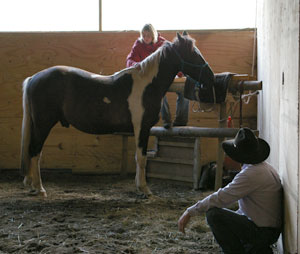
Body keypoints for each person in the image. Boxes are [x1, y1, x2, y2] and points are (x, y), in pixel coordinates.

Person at [178, 127, 283, 254]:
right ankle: (256, 249)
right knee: (233, 214)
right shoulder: (264, 167)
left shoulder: (251, 174)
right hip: (268, 228)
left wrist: (190, 212)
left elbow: (221, 198)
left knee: (214, 215)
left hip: (263, 232)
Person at [126, 23, 189, 129]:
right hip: (155, 81)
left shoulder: (163, 44)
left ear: (153, 35)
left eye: (148, 35)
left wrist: (179, 73)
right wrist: (137, 65)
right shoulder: (138, 44)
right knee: (158, 93)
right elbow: (129, 60)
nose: (146, 38)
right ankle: (166, 120)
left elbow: (175, 60)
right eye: (144, 35)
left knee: (184, 91)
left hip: (170, 78)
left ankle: (181, 121)